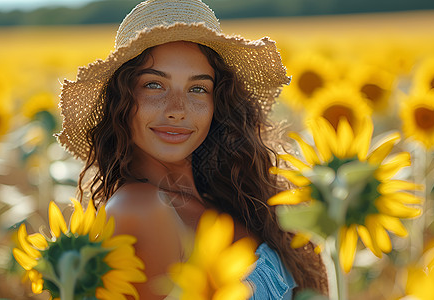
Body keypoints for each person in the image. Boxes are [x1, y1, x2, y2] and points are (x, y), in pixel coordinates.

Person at [56, 0, 328, 299]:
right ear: (121, 100)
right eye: (154, 85)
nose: (177, 110)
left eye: (198, 88)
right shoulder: (141, 209)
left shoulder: (232, 198)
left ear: (217, 104)